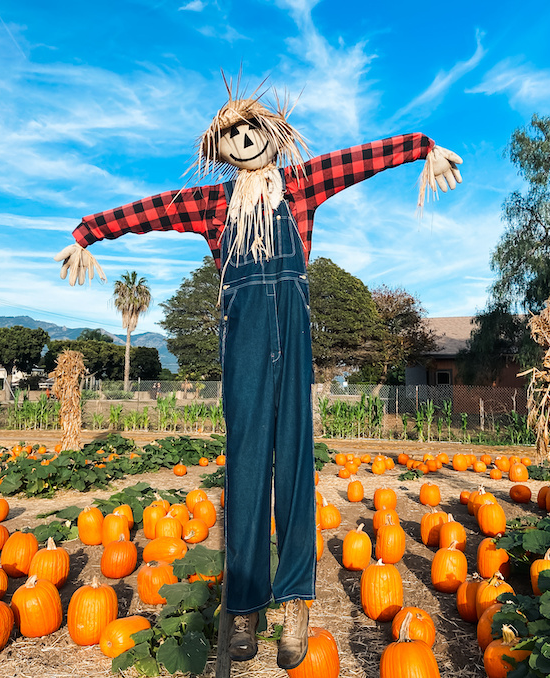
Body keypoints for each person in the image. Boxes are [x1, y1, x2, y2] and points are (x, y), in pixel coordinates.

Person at [54, 77, 462, 669]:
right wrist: (88, 233)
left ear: (273, 136)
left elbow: (359, 160)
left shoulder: (301, 187)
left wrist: (423, 146)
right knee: (246, 463)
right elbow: (148, 212)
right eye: (230, 134)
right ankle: (244, 603)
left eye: (251, 129)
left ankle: (294, 599)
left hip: (292, 333)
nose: (243, 138)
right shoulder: (213, 205)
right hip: (241, 336)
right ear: (219, 149)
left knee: (296, 458)